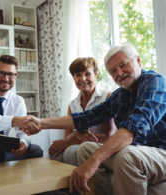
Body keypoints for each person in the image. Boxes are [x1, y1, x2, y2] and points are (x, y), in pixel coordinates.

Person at [22, 43, 166, 195]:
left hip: (160, 151)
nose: (120, 73)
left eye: (123, 65)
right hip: (137, 150)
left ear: (138, 61)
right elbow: (85, 118)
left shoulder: (154, 81)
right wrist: (40, 122)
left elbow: (135, 126)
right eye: (113, 71)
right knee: (85, 148)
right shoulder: (119, 95)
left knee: (126, 156)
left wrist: (93, 162)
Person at [49, 57, 116, 166]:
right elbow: (69, 135)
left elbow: (108, 136)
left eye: (87, 74)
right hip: (81, 145)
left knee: (71, 152)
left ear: (95, 76)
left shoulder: (107, 97)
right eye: (78, 75)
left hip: (102, 146)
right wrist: (76, 133)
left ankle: (78, 182)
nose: (83, 79)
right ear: (73, 78)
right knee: (54, 154)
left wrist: (71, 141)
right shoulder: (72, 104)